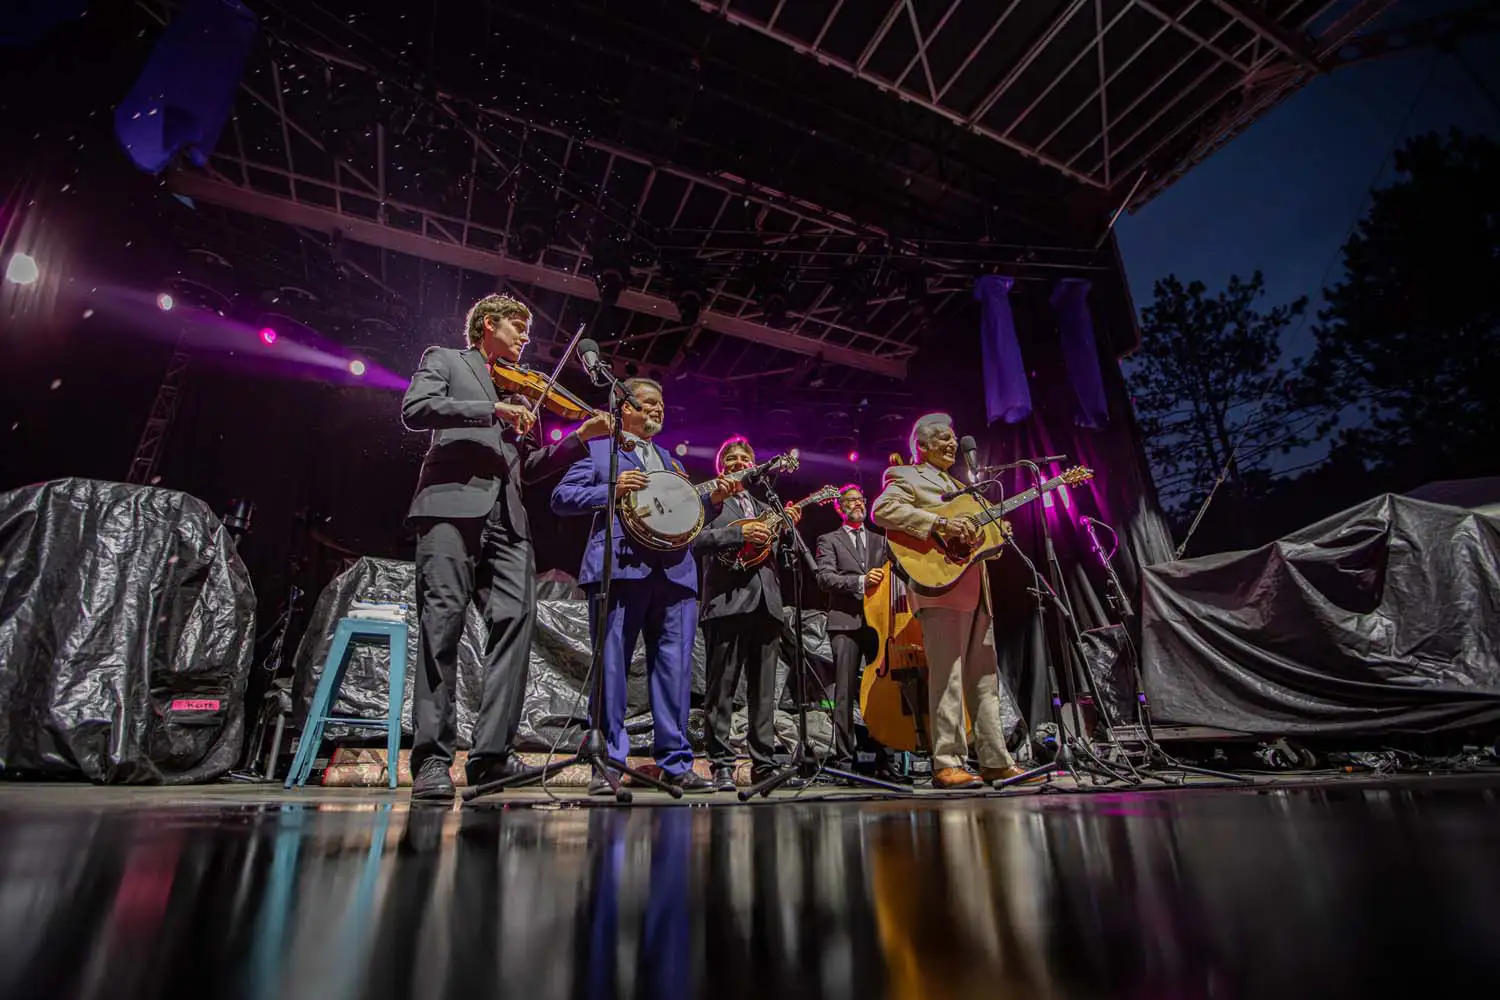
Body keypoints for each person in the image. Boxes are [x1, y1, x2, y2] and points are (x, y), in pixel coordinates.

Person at [402, 293, 612, 801]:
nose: (526, 338)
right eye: (518, 328)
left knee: (517, 626)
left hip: (510, 520)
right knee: (441, 627)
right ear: (487, 325)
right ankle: (432, 759)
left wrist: (577, 441)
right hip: (451, 507)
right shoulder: (446, 360)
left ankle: (490, 755)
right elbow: (416, 409)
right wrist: (489, 408)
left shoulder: (525, 396)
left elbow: (529, 469)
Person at [551, 378, 727, 794]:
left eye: (661, 404)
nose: (657, 410)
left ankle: (676, 763)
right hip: (621, 568)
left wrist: (714, 500)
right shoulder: (599, 450)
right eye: (648, 403)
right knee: (611, 668)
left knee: (675, 671)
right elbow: (561, 497)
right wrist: (610, 491)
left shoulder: (673, 461)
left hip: (676, 573)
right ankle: (608, 762)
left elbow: (684, 512)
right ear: (623, 407)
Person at [870, 413, 1027, 789]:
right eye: (941, 438)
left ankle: (994, 759)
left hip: (976, 590)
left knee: (985, 679)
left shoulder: (962, 486)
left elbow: (975, 544)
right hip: (939, 588)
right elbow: (883, 511)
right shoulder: (905, 476)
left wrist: (995, 534)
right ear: (920, 447)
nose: (951, 443)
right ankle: (947, 761)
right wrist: (940, 524)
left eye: (953, 437)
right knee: (949, 677)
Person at [694, 436, 802, 791]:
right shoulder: (709, 501)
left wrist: (783, 529)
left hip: (766, 604)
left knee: (764, 693)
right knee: (721, 689)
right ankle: (721, 764)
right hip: (726, 602)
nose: (739, 462)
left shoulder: (763, 505)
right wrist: (737, 535)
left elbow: (773, 555)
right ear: (721, 466)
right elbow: (695, 541)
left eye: (745, 457)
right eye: (732, 458)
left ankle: (764, 765)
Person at [813, 484, 890, 775]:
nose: (857, 504)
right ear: (839, 507)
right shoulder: (828, 539)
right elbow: (825, 578)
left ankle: (886, 760)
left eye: (861, 499)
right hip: (844, 623)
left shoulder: (881, 541)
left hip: (877, 625)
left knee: (882, 692)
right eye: (850, 501)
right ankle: (845, 762)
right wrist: (860, 581)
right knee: (844, 695)